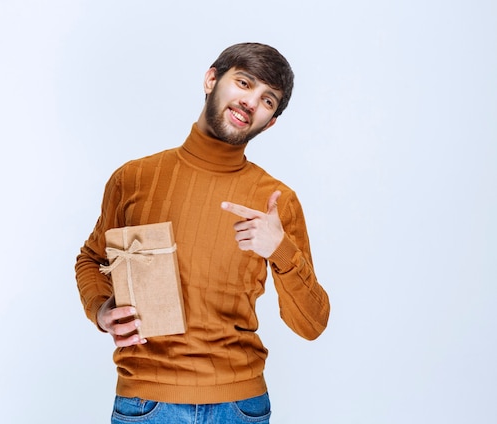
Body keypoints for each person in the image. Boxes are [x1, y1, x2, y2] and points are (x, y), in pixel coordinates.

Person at [75, 42, 330, 424]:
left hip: (241, 407)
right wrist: (100, 309)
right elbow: (91, 260)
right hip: (146, 404)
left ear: (271, 121)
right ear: (211, 79)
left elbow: (311, 325)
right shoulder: (133, 178)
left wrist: (279, 251)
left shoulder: (275, 201)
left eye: (267, 101)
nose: (250, 102)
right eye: (243, 83)